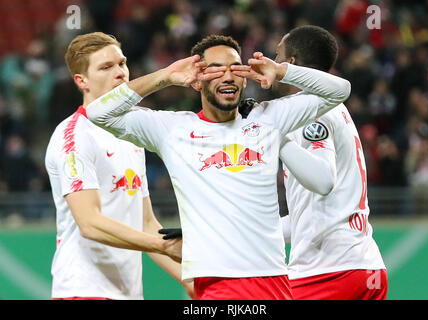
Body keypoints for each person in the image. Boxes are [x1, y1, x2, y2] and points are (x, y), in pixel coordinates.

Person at [85, 34, 351, 300]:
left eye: (235, 69)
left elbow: (340, 90)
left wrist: (281, 71)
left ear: (245, 77)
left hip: (275, 284)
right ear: (197, 80)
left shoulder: (268, 118)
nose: (227, 76)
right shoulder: (171, 129)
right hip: (217, 285)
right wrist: (165, 76)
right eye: (215, 69)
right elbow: (99, 112)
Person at [45, 32, 192, 300]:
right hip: (83, 291)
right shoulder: (75, 136)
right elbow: (90, 223)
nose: (120, 73)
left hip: (128, 293)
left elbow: (146, 224)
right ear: (82, 81)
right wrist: (165, 245)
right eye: (106, 67)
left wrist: (191, 281)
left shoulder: (130, 132)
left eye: (122, 63)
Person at [274, 25, 388, 299]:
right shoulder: (332, 106)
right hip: (362, 267)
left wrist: (273, 136)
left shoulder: (311, 110)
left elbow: (323, 180)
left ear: (290, 64)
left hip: (329, 271)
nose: (272, 62)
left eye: (276, 56)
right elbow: (306, 219)